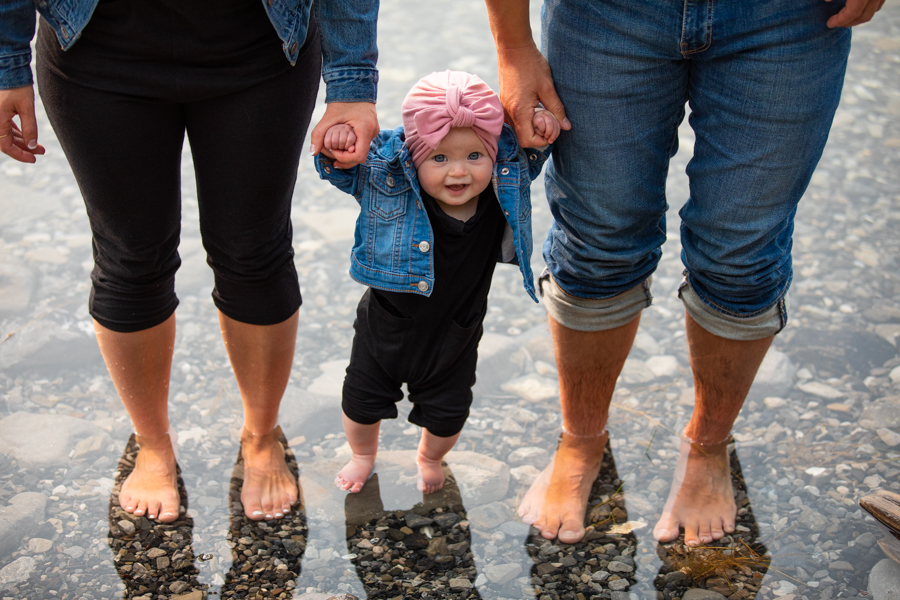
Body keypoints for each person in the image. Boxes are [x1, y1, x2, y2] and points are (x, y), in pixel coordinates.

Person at [483, 0, 884, 546]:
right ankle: (580, 439)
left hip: (790, 16)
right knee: (599, 238)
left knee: (741, 252)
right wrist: (513, 46)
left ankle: (707, 446)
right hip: (603, 13)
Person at [0, 0, 379, 523]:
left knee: (255, 252)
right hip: (96, 49)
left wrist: (352, 84)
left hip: (261, 45)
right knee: (129, 258)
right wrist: (6, 62)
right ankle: (152, 442)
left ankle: (261, 434)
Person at [314, 70, 559, 494]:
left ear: (494, 156)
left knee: (448, 413)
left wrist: (541, 128)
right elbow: (345, 169)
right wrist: (339, 146)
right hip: (385, 328)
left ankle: (429, 457)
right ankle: (362, 456)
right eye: (440, 159)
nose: (458, 172)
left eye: (474, 157)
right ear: (413, 159)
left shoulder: (503, 187)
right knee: (360, 400)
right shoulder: (389, 182)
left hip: (456, 335)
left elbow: (530, 154)